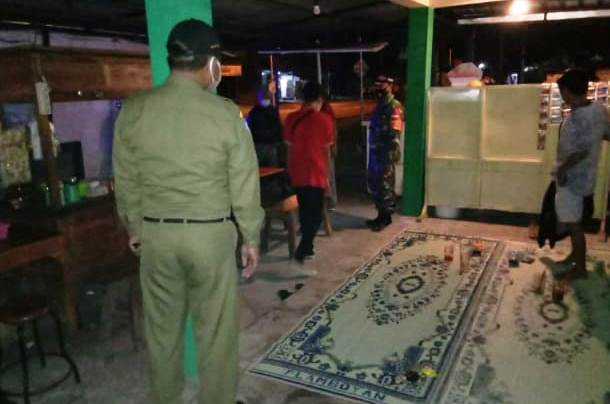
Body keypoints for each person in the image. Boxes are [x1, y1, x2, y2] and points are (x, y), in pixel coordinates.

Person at [113, 19, 263, 404]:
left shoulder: (134, 110)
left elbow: (125, 178)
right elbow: (244, 184)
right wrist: (250, 237)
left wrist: (134, 225)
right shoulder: (226, 114)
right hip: (209, 238)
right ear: (211, 64)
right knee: (216, 335)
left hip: (156, 238)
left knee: (162, 335)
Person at [553, 68, 610, 280]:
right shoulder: (599, 110)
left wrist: (562, 170)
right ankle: (575, 257)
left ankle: (580, 269)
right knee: (574, 220)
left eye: (562, 92)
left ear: (567, 91)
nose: (562, 97)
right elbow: (607, 134)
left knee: (574, 224)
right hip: (587, 175)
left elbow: (581, 151)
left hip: (573, 178)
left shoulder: (580, 117)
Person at [284, 81, 334, 263]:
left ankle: (308, 247)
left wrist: (289, 170)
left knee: (305, 211)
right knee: (315, 215)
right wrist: (327, 177)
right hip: (316, 172)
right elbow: (326, 152)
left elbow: (288, 149)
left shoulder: (291, 119)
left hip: (297, 172)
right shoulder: (325, 120)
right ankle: (303, 249)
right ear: (319, 99)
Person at [366, 75, 404, 232]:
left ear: (390, 85)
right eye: (377, 84)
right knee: (376, 183)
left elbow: (395, 131)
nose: (379, 87)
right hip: (376, 150)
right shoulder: (381, 104)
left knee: (385, 184)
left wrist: (391, 151)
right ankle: (380, 214)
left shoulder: (394, 105)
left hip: (386, 150)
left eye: (382, 84)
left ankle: (386, 218)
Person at [247, 88, 282, 166]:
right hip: (271, 145)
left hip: (258, 144)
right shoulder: (273, 111)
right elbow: (277, 127)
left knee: (258, 168)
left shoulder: (254, 111)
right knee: (272, 169)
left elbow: (249, 127)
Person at [321, 96, 338, 209]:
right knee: (327, 174)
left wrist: (333, 146)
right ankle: (329, 200)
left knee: (329, 174)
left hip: (328, 147)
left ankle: (331, 201)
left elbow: (333, 130)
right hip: (324, 147)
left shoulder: (326, 110)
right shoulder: (325, 110)